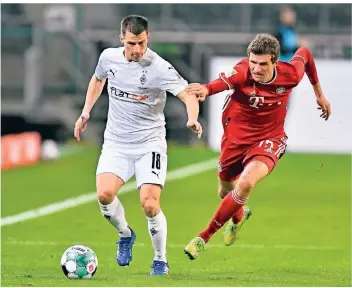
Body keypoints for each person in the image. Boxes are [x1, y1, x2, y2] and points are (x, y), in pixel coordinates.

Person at [183, 33, 331, 260]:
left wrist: (319, 95)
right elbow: (222, 83)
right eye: (253, 62)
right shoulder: (243, 71)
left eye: (262, 64)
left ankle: (203, 237)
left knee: (246, 183)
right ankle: (238, 217)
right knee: (225, 191)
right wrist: (205, 89)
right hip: (235, 141)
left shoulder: (290, 74)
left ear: (275, 61)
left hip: (270, 139)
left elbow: (306, 55)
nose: (256, 69)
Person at [73, 15, 202, 274]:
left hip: (149, 144)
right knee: (104, 195)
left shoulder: (160, 67)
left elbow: (187, 94)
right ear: (122, 39)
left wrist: (192, 118)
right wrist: (86, 111)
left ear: (148, 38)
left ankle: (160, 259)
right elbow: (98, 80)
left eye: (142, 43)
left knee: (150, 204)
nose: (137, 50)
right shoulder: (108, 58)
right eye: (132, 43)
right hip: (117, 143)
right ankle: (125, 234)